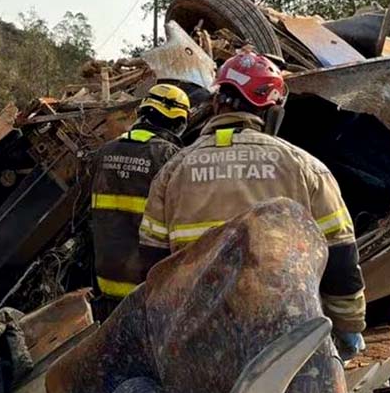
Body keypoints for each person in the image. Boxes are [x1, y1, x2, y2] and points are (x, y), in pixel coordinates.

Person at [138, 48, 367, 360]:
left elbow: (153, 267)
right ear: (272, 110)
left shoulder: (173, 173)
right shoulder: (305, 168)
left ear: (216, 104)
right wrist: (348, 326)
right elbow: (340, 258)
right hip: (284, 339)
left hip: (198, 340)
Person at [89, 83, 189, 318]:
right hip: (145, 287)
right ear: (177, 122)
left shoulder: (104, 152)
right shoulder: (169, 157)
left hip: (104, 280)